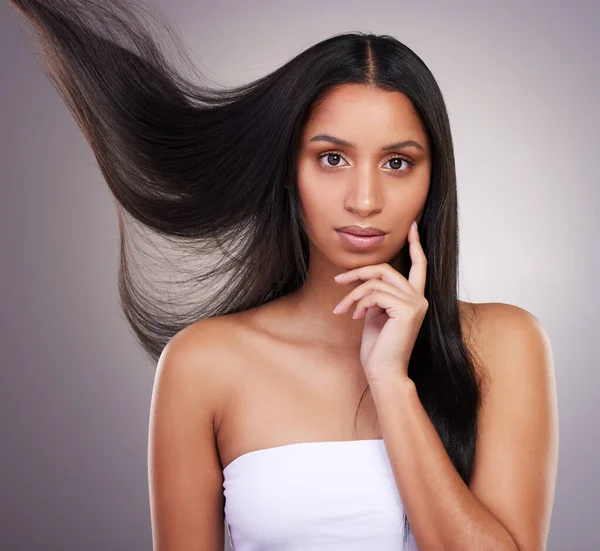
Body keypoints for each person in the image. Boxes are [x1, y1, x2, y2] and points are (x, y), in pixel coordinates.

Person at [10, 1, 558, 549]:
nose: (365, 200)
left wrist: (392, 384)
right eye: (332, 158)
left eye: (397, 163)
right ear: (289, 170)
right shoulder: (205, 363)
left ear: (433, 179)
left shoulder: (505, 345)